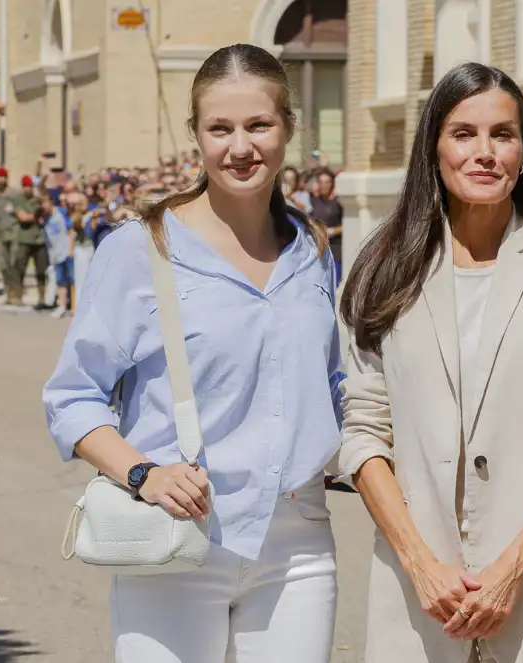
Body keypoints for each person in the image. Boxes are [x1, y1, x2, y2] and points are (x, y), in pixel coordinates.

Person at [42, 43, 344, 663]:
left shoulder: (311, 248)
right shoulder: (138, 249)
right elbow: (72, 397)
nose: (241, 147)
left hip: (297, 544)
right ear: (196, 137)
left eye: (259, 125)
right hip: (176, 536)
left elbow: (334, 381)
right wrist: (142, 473)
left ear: (288, 127)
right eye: (220, 128)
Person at [337, 63, 523, 663]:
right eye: (463, 133)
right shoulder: (383, 269)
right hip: (421, 596)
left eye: (503, 134)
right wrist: (421, 565)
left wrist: (511, 567)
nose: (485, 153)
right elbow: (365, 434)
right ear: (434, 149)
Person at [0, 167, 22, 305]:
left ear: (6, 179)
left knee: (14, 264)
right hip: (0, 234)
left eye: (3, 177)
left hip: (14, 232)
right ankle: (8, 293)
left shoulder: (15, 195)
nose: (1, 179)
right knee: (3, 265)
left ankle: (17, 294)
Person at [14, 175, 46, 308]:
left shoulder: (39, 199)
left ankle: (42, 297)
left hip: (39, 239)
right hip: (24, 239)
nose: (28, 188)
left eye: (30, 186)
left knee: (41, 270)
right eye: (25, 186)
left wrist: (41, 203)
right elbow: (22, 217)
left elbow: (46, 208)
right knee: (20, 269)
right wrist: (35, 215)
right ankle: (18, 296)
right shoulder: (19, 199)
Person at [310, 168, 343, 286]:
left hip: (336, 249)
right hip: (318, 248)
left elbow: (347, 225)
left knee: (335, 283)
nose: (324, 185)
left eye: (327, 182)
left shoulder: (339, 202)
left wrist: (333, 231)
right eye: (321, 182)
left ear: (332, 183)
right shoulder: (313, 201)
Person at [41, 196, 73, 318]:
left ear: (50, 202)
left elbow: (70, 231)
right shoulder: (46, 218)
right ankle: (62, 306)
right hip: (56, 254)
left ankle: (74, 306)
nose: (44, 206)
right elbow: (49, 239)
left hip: (67, 252)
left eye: (45, 203)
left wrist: (70, 249)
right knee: (60, 280)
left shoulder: (61, 213)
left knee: (72, 279)